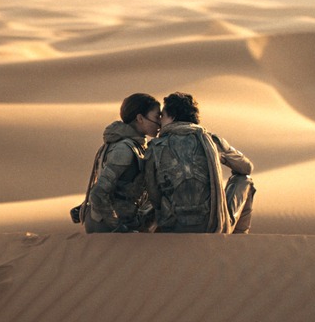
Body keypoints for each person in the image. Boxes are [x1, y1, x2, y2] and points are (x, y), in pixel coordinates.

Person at [144, 92, 255, 233]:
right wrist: (217, 158)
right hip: (212, 227)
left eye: (163, 115)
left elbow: (153, 194)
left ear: (172, 116)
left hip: (171, 227)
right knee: (244, 180)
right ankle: (236, 241)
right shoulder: (211, 140)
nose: (160, 121)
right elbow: (246, 167)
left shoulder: (155, 147)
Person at [83, 93, 161, 233]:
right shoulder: (124, 149)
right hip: (107, 229)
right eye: (156, 117)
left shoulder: (127, 145)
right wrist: (117, 227)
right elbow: (98, 193)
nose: (160, 123)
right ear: (140, 118)